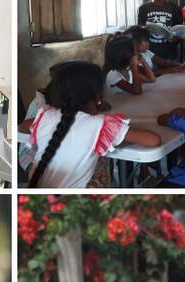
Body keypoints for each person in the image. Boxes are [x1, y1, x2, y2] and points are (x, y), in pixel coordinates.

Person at [27, 61, 160, 188]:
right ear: (97, 95)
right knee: (102, 158)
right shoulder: (99, 124)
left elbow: (24, 126)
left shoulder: (45, 114)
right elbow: (153, 140)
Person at [137, 0, 185, 64]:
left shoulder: (174, 8)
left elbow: (179, 30)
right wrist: (147, 28)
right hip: (150, 53)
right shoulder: (143, 8)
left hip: (169, 52)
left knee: (171, 75)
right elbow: (140, 30)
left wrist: (175, 37)